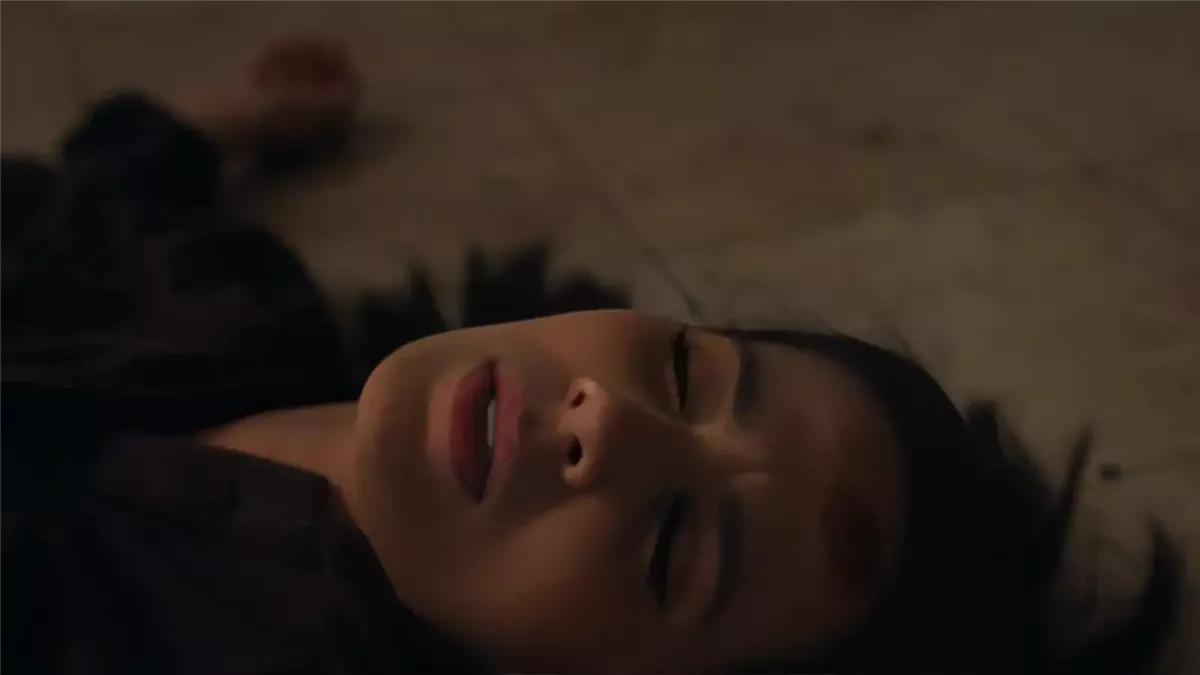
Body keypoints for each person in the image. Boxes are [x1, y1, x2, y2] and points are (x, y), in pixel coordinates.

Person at [0, 38, 1184, 675]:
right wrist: (253, 116)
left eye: (672, 553)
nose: (610, 423)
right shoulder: (242, 315)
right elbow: (116, 201)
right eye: (687, 375)